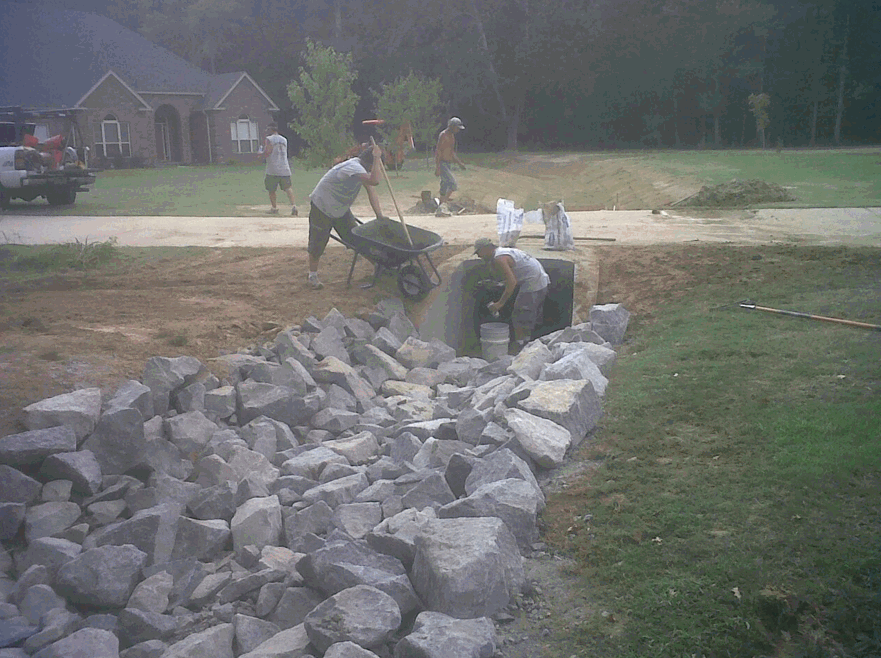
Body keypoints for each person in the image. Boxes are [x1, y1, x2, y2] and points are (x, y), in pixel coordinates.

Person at [306, 144, 387, 290]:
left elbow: (372, 191)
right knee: (318, 242)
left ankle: (379, 265)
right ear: (370, 163)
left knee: (356, 237)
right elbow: (375, 180)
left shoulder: (361, 170)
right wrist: (377, 158)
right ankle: (312, 276)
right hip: (322, 205)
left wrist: (379, 216)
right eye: (377, 166)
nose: (378, 169)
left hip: (340, 208)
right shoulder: (353, 167)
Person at [474, 237, 550, 350]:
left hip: (533, 284)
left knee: (520, 316)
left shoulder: (499, 258)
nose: (479, 256)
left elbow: (512, 282)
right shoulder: (503, 252)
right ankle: (531, 343)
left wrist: (499, 304)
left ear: (485, 249)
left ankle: (521, 346)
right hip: (541, 281)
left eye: (478, 253)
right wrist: (499, 283)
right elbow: (512, 275)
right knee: (531, 316)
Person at [261, 123, 298, 216]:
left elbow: (268, 152)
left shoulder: (269, 139)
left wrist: (262, 153)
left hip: (273, 168)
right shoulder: (284, 139)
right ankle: (294, 206)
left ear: (270, 130)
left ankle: (274, 208)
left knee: (271, 189)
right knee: (288, 188)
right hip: (284, 167)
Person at [435, 117, 466, 207]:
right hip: (442, 163)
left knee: (444, 185)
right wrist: (437, 167)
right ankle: (443, 203)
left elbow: (451, 152)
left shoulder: (452, 136)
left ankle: (441, 205)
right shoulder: (443, 135)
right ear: (452, 126)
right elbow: (438, 151)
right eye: (457, 128)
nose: (458, 131)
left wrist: (460, 163)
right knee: (453, 184)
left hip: (448, 164)